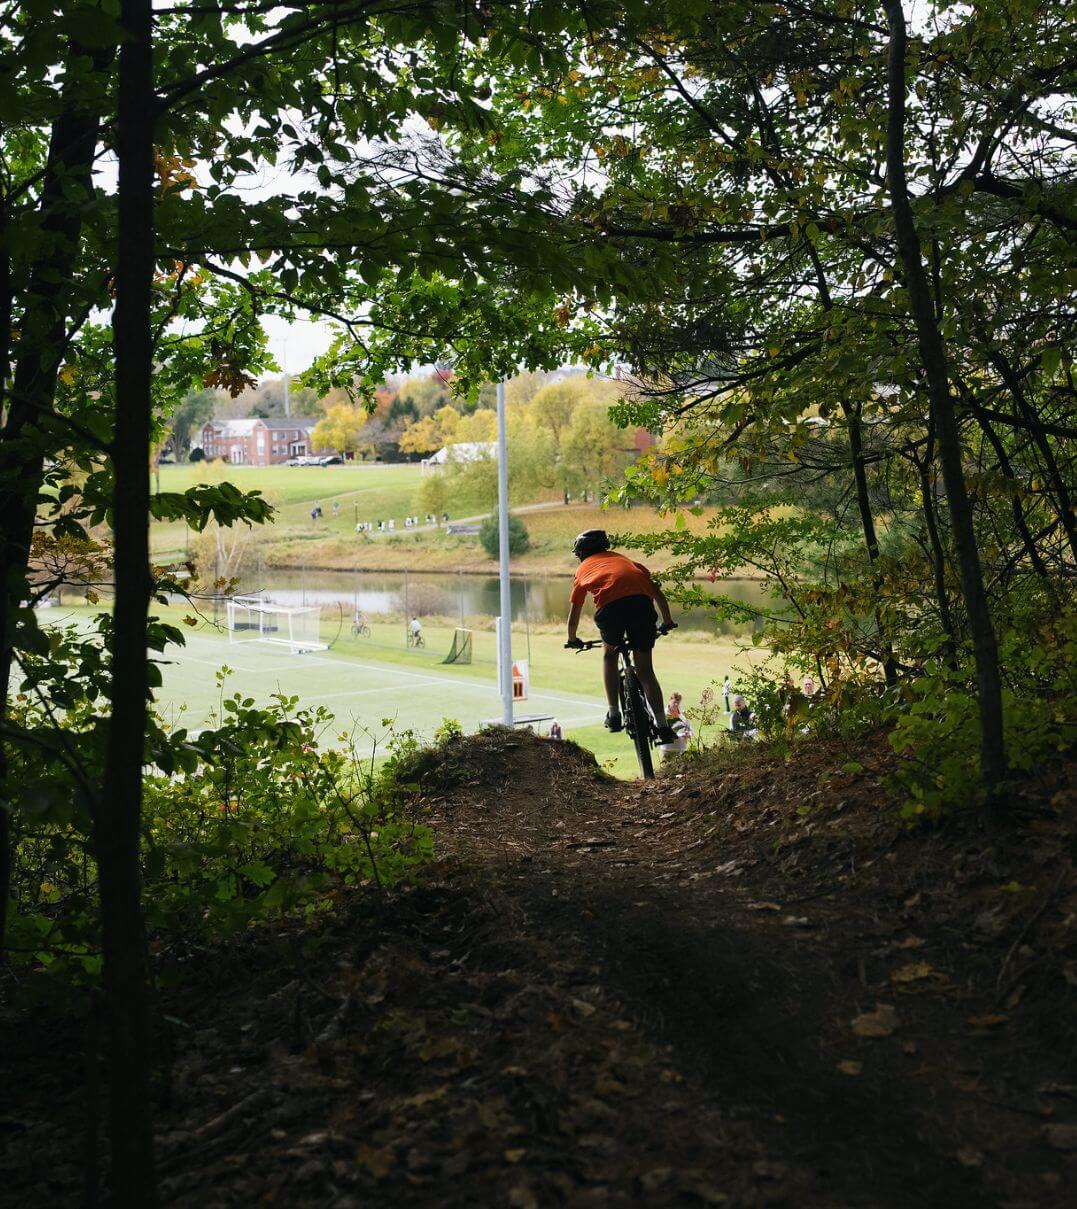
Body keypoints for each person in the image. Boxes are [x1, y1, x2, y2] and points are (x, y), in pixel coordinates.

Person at [565, 529, 677, 743]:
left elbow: (574, 614)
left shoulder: (582, 570)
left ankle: (614, 714)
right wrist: (668, 621)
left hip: (610, 612)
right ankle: (663, 727)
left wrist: (572, 639)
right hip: (641, 608)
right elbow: (658, 595)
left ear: (581, 553)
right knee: (646, 671)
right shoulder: (627, 561)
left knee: (609, 654)